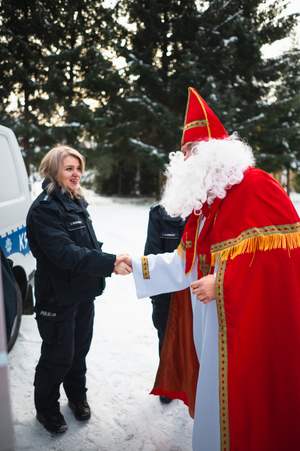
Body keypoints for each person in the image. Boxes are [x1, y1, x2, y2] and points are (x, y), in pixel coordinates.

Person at [125, 87, 300, 450]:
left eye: (191, 151)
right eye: (184, 152)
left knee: (236, 403)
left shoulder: (256, 186)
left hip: (243, 326)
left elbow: (281, 262)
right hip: (212, 324)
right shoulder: (208, 202)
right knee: (213, 403)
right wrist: (140, 265)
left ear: (213, 152)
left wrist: (222, 281)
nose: (185, 159)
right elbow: (188, 261)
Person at [26, 145, 131, 435]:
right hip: (57, 297)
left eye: (78, 167)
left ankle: (76, 397)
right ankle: (46, 410)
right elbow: (64, 253)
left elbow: (85, 248)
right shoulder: (45, 209)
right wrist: (109, 263)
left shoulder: (75, 202)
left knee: (78, 351)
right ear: (53, 171)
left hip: (82, 292)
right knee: (58, 355)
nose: (76, 173)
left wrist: (107, 259)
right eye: (69, 168)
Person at [144, 204, 188, 404]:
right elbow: (152, 255)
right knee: (167, 338)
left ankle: (192, 381)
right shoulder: (158, 213)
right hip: (166, 294)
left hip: (196, 291)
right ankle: (169, 383)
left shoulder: (204, 210)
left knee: (195, 339)